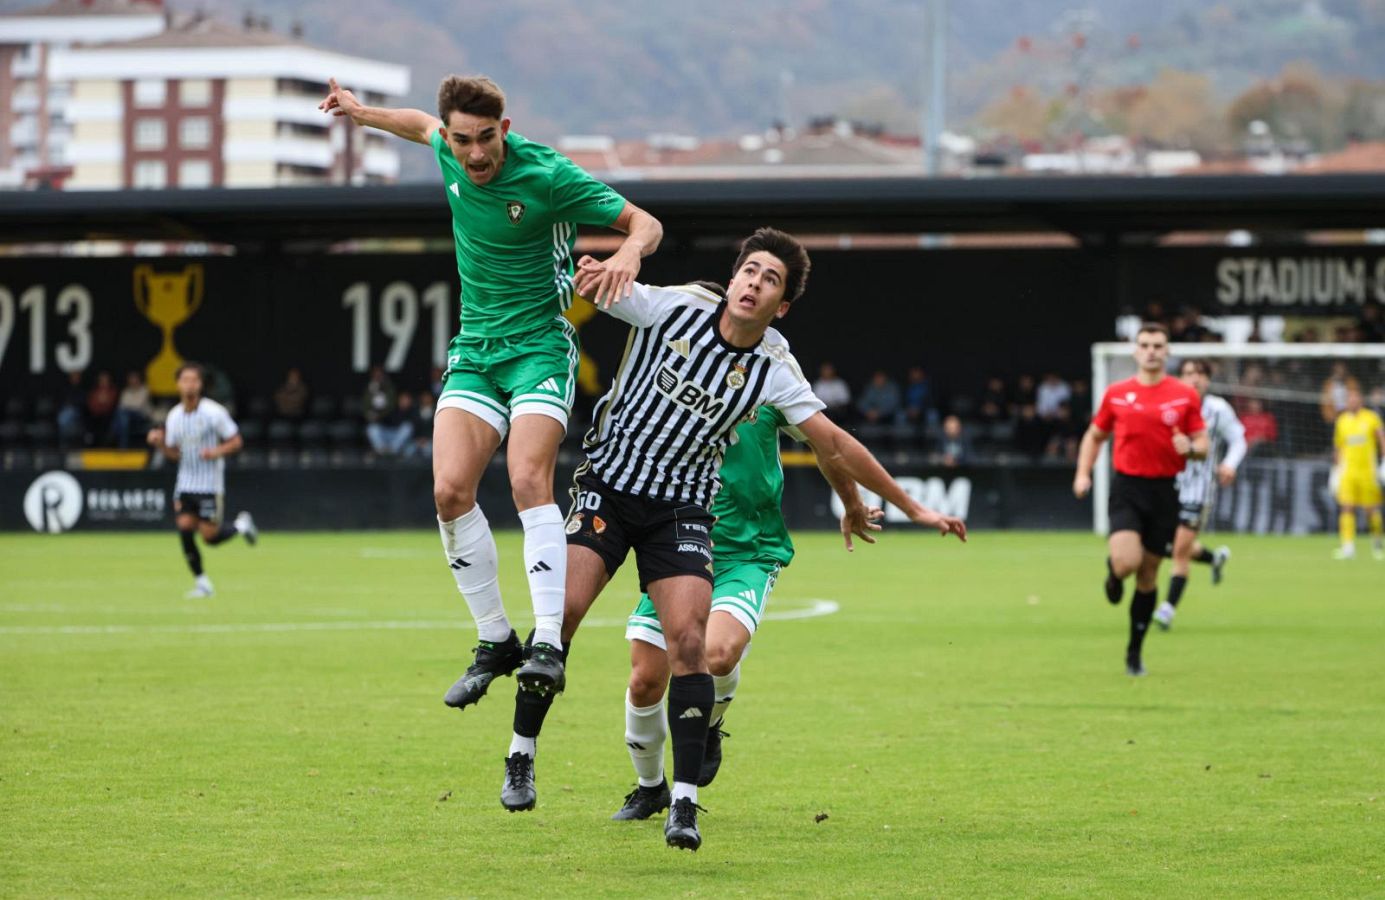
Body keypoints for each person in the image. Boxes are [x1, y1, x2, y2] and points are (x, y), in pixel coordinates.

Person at [500, 228, 966, 852]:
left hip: (721, 533)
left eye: (770, 279)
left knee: (707, 652)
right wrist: (591, 266)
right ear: (734, 276)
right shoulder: (677, 308)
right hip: (617, 494)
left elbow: (834, 445)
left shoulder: (777, 374)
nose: (754, 283)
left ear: (782, 306)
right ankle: (577, 770)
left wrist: (903, 506)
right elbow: (605, 292)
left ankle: (692, 779)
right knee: (612, 656)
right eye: (749, 271)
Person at [321, 74, 663, 707]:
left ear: (504, 130)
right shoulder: (445, 146)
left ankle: (548, 647)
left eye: (485, 139)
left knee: (528, 478)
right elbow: (417, 122)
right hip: (476, 352)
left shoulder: (548, 176)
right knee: (449, 490)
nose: (474, 154)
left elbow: (645, 223)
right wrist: (361, 112)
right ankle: (495, 641)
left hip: (539, 346)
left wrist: (627, 256)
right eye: (461, 141)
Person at [612, 396, 884, 823]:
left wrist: (852, 502)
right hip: (677, 547)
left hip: (747, 552)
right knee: (645, 680)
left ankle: (708, 725)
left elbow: (826, 443)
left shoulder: (772, 376)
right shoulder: (671, 374)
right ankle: (650, 790)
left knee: (717, 652)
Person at [1072, 324, 1207, 676]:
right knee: (1127, 562)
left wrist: (1190, 449)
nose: (1150, 351)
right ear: (1135, 351)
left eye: (1157, 346)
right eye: (1144, 345)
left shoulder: (1184, 395)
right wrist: (1083, 473)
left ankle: (1134, 652)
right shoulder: (1117, 394)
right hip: (1128, 487)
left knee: (1148, 575)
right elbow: (1095, 435)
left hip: (1165, 491)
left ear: (1167, 352)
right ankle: (1114, 574)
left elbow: (1202, 444)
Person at [146, 362, 258, 599]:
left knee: (210, 537)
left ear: (201, 385)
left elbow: (236, 441)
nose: (189, 384)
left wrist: (216, 452)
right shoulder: (174, 416)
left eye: (194, 380)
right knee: (184, 527)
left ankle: (241, 525)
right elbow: (175, 455)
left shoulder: (214, 412)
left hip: (209, 485)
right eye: (185, 380)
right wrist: (161, 444)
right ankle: (202, 582)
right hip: (185, 483)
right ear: (178, 384)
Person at [1153, 360, 1247, 630]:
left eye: (1200, 374)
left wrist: (1229, 464)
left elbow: (1239, 439)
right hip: (1167, 486)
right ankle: (1214, 558)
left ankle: (1167, 608)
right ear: (1179, 378)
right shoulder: (1168, 406)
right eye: (1188, 373)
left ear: (1208, 379)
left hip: (1199, 490)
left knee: (1179, 550)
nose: (1194, 379)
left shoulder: (1217, 409)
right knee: (1169, 545)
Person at [1330, 387, 1385, 560]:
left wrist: (1384, 460)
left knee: (1371, 510)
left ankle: (1377, 544)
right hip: (1348, 473)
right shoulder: (1342, 421)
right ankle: (1348, 547)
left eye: (1355, 398)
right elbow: (1339, 446)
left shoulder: (1371, 418)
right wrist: (1335, 469)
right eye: (1349, 399)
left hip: (1367, 472)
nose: (1352, 402)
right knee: (1347, 507)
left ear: (1360, 400)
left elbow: (1381, 438)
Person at [112, 370, 153, 449]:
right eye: (131, 379)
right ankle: (123, 445)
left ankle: (116, 439)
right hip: (128, 418)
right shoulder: (126, 392)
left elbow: (137, 406)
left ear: (139, 379)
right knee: (123, 418)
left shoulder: (145, 390)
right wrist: (126, 409)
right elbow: (121, 406)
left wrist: (127, 408)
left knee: (122, 415)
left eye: (134, 378)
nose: (133, 381)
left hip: (142, 417)